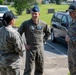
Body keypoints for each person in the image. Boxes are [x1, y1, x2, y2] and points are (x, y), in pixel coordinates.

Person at [18, 5, 50, 75]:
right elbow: (18, 34)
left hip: (40, 49)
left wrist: (43, 40)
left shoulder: (43, 24)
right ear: (31, 14)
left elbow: (48, 33)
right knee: (28, 69)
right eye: (33, 13)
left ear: (39, 14)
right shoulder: (26, 24)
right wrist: (24, 45)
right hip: (30, 49)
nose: (34, 15)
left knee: (40, 68)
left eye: (36, 13)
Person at [65, 3, 76, 75]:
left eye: (71, 12)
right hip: (71, 52)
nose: (69, 13)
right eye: (69, 12)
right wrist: (67, 35)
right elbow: (69, 33)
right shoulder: (71, 22)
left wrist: (70, 39)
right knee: (72, 71)